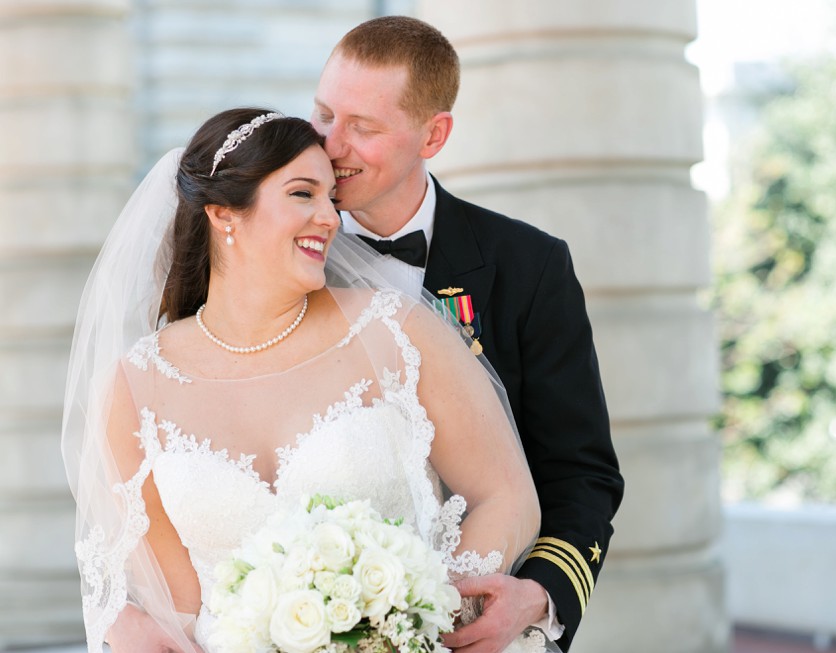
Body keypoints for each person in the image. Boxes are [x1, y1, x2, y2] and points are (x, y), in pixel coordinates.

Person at [63, 108, 545, 652]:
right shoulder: (135, 388)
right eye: (302, 194)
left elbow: (507, 494)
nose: (331, 218)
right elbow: (180, 607)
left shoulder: (395, 331)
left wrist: (424, 614)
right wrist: (128, 623)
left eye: (330, 198)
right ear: (224, 215)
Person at [312, 16, 624, 653]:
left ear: (434, 134)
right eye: (323, 115)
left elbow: (581, 475)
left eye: (362, 127)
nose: (330, 144)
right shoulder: (284, 258)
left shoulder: (529, 267)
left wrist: (537, 597)